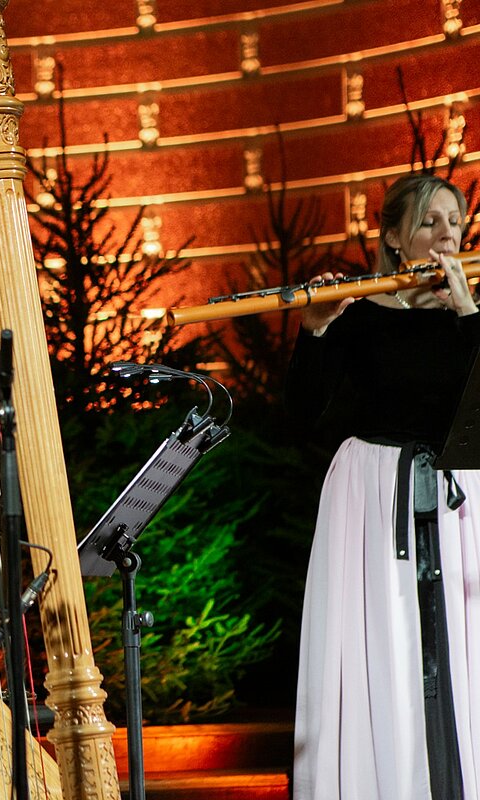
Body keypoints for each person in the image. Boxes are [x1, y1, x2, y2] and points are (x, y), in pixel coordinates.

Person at [286, 173, 480, 799]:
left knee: (460, 648)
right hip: (373, 497)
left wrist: (467, 313)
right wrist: (315, 329)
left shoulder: (471, 318)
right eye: (429, 221)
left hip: (456, 500)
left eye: (455, 221)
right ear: (395, 238)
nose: (447, 234)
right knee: (386, 651)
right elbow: (299, 417)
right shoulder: (362, 313)